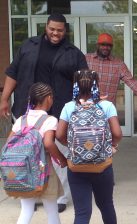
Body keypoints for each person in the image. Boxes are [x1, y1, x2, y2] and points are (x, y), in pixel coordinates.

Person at [0, 13, 88, 213]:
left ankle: (61, 197)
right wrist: (4, 99)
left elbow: (83, 84)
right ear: (46, 27)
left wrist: (83, 108)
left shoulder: (73, 53)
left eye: (60, 30)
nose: (56, 33)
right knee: (28, 154)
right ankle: (31, 190)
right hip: (26, 111)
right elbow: (13, 73)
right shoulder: (29, 46)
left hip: (58, 114)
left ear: (65, 31)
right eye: (52, 29)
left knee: (58, 154)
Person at [56, 69, 122, 224]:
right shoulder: (106, 106)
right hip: (102, 165)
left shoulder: (69, 107)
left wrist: (71, 146)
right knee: (106, 205)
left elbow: (59, 135)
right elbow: (118, 133)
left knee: (82, 213)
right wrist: (111, 145)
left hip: (76, 167)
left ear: (75, 86)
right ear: (96, 85)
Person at [9, 82, 67, 224]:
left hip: (23, 172)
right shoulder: (49, 120)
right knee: (52, 210)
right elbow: (48, 143)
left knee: (26, 210)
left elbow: (9, 144)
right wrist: (61, 159)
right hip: (44, 170)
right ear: (48, 98)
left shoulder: (21, 121)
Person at [85, 33, 137, 105]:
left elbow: (132, 83)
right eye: (103, 44)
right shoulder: (86, 59)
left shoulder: (118, 64)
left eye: (108, 45)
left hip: (108, 110)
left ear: (112, 47)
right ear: (97, 45)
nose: (105, 47)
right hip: (88, 108)